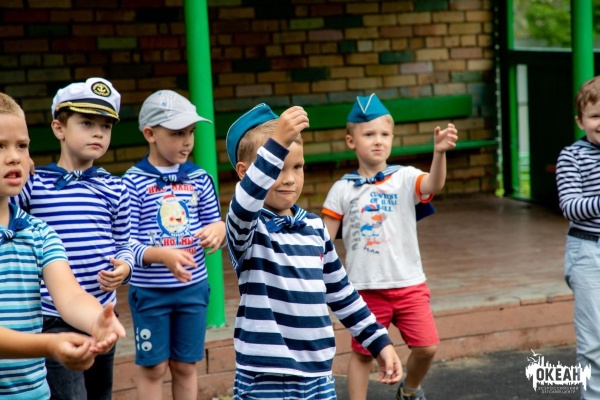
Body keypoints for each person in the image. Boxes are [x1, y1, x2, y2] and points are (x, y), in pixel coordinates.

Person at [225, 103, 403, 399]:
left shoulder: (315, 227)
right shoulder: (248, 227)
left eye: (297, 167)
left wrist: (379, 342)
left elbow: (342, 293)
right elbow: (245, 200)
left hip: (318, 377)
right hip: (264, 376)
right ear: (245, 173)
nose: (289, 178)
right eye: (277, 167)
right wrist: (277, 143)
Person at [322, 93, 458, 400]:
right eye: (369, 134)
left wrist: (439, 154)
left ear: (392, 139)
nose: (378, 141)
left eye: (385, 134)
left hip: (409, 284)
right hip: (364, 289)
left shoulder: (405, 177)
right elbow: (324, 242)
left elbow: (433, 185)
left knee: (427, 347)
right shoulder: (342, 188)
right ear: (351, 141)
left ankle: (409, 390)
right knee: (363, 354)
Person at [9, 77, 134, 399]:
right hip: (51, 314)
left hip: (102, 313)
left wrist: (125, 267)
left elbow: (125, 242)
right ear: (59, 128)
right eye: (87, 123)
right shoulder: (35, 183)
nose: (98, 133)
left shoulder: (116, 187)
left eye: (106, 126)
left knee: (100, 393)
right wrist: (21, 161)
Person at [122, 89, 225, 400]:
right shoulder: (131, 182)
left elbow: (214, 223)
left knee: (185, 365)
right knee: (154, 367)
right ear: (150, 134)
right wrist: (161, 256)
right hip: (150, 292)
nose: (187, 141)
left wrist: (218, 230)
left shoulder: (200, 178)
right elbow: (125, 243)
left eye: (190, 132)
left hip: (193, 289)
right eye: (178, 133)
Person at [556, 75, 600, 399]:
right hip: (589, 253)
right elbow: (570, 206)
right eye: (596, 116)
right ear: (580, 121)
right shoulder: (572, 157)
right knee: (595, 342)